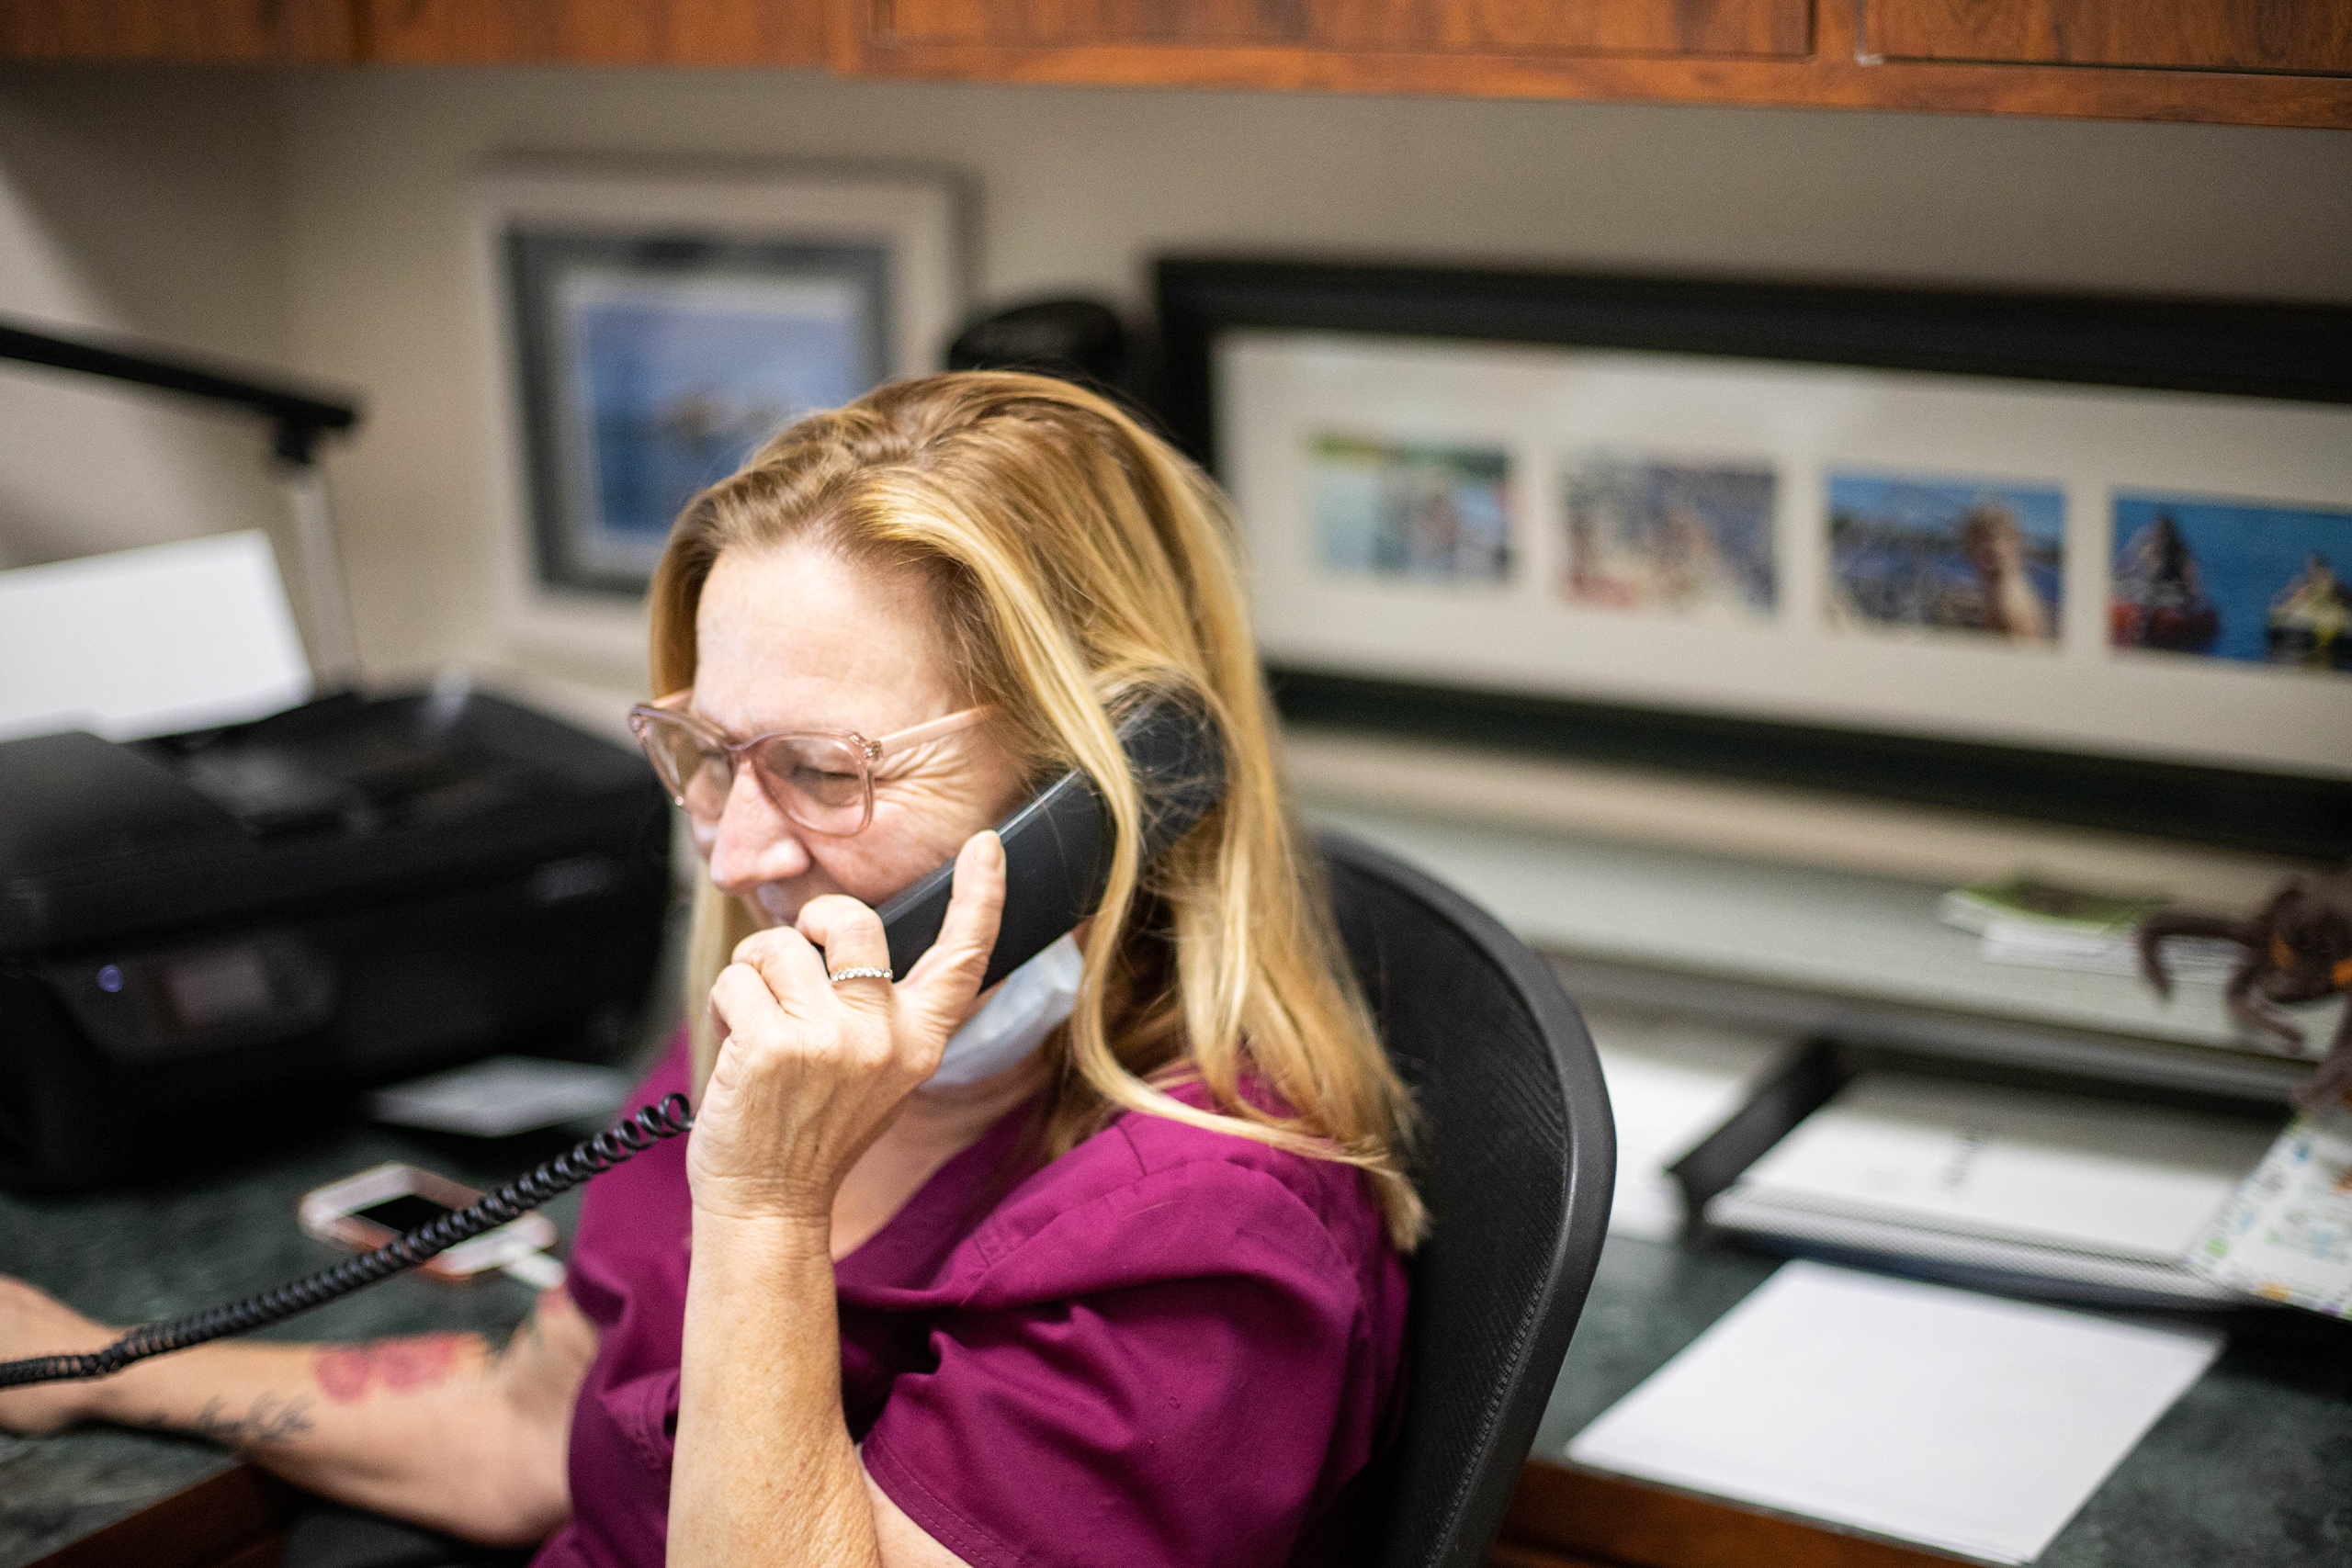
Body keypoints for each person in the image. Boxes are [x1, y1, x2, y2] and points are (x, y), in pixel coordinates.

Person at [0, 372, 1423, 1568]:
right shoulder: (792, 1006)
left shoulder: (1204, 1236)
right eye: (709, 752)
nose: (739, 857)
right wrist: (95, 1359)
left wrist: (763, 1203)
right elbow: (520, 1429)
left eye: (818, 769)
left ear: (1116, 784)